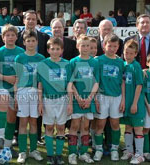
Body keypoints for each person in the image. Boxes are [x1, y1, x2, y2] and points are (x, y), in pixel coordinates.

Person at [37, 37, 73, 165]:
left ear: (62, 50)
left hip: (62, 99)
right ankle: (50, 155)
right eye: (52, 49)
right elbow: (40, 85)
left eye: (58, 49)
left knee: (61, 127)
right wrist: (40, 103)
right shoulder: (43, 64)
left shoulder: (67, 64)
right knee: (49, 127)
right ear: (48, 50)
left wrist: (70, 103)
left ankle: (58, 155)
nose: (55, 51)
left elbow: (69, 84)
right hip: (48, 100)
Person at [0, 24, 24, 157]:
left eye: (13, 35)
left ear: (16, 37)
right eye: (7, 35)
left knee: (11, 118)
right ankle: (0, 137)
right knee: (3, 103)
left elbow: (23, 72)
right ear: (3, 37)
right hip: (3, 86)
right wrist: (7, 78)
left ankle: (7, 145)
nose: (10, 37)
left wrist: (15, 81)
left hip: (16, 87)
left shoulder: (21, 52)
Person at [93, 34, 125, 162]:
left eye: (115, 46)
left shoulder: (120, 62)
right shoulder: (98, 60)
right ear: (103, 45)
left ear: (118, 47)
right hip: (102, 96)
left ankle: (114, 149)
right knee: (100, 124)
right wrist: (95, 98)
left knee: (115, 123)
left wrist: (123, 99)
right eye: (109, 45)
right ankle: (99, 149)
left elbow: (122, 81)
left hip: (116, 97)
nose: (112, 48)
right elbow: (95, 80)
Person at [68, 35, 98, 164]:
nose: (85, 48)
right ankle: (72, 153)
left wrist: (90, 98)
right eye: (83, 45)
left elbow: (97, 83)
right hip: (77, 99)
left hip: (89, 100)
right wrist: (78, 98)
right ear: (77, 46)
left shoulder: (95, 62)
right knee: (74, 125)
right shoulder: (73, 62)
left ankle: (83, 153)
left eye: (88, 46)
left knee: (86, 126)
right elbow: (71, 83)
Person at [15, 30, 44, 163]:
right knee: (23, 122)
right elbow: (17, 78)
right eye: (28, 41)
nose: (31, 43)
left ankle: (33, 150)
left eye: (33, 41)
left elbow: (42, 80)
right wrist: (15, 96)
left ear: (37, 42)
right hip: (22, 91)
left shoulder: (41, 58)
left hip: (35, 92)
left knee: (33, 121)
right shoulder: (19, 58)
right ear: (24, 42)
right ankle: (22, 151)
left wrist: (40, 99)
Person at [121, 39, 145, 164]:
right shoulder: (124, 65)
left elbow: (139, 86)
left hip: (136, 103)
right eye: (126, 52)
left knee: (138, 128)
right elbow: (123, 84)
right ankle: (129, 151)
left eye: (131, 53)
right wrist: (124, 101)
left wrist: (135, 103)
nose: (128, 55)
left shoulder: (136, 66)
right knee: (128, 127)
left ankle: (140, 155)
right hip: (127, 103)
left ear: (135, 54)